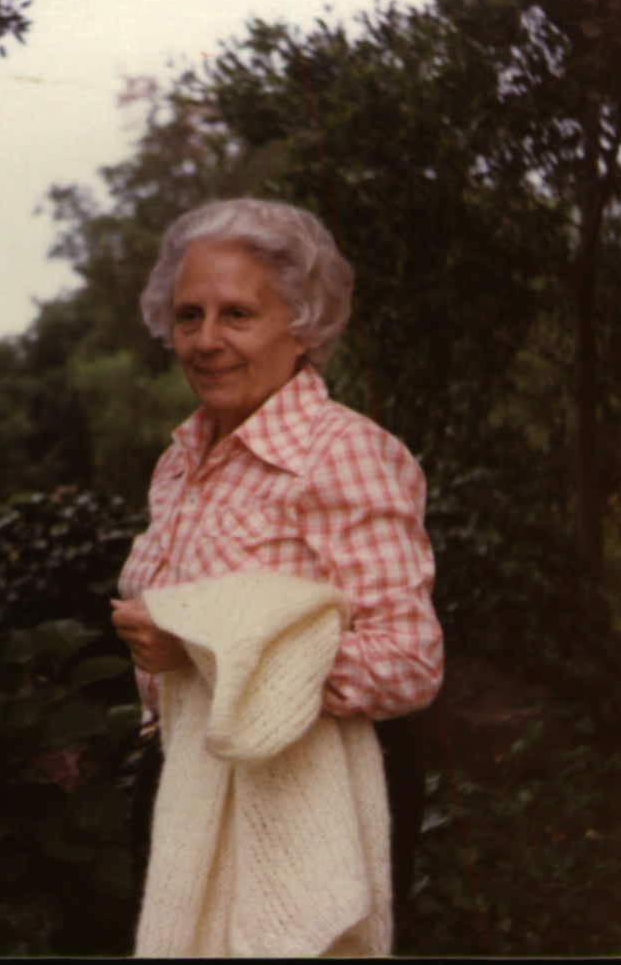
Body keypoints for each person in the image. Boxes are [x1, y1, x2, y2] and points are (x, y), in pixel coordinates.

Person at [112, 197, 443, 955]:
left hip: (307, 803)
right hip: (185, 782)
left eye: (237, 314)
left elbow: (409, 660)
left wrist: (201, 651)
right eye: (189, 315)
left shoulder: (343, 452)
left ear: (302, 325)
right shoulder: (179, 462)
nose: (206, 340)